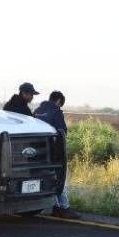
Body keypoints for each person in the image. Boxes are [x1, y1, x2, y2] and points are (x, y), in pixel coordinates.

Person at [34, 91, 81, 220]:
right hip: (54, 152)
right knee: (61, 178)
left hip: (37, 153)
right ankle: (64, 208)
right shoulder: (56, 112)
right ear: (59, 100)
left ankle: (55, 206)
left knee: (48, 178)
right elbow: (62, 132)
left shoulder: (37, 110)